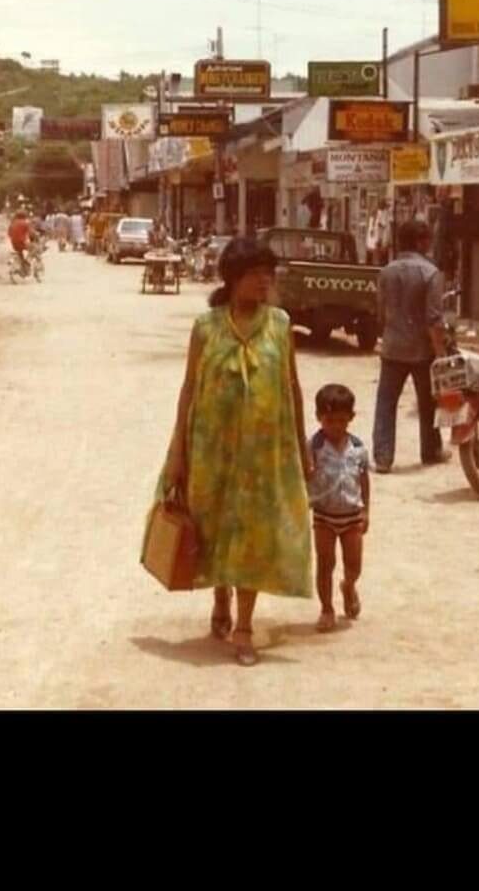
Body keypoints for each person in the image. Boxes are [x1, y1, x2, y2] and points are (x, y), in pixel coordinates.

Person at [157, 236, 313, 666]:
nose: (265, 281)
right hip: (211, 451)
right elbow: (189, 388)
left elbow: (292, 388)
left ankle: (244, 627)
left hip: (264, 458)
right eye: (256, 274)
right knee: (213, 528)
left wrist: (302, 447)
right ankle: (221, 596)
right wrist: (177, 453)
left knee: (253, 536)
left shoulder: (280, 324)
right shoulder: (206, 326)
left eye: (269, 273)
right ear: (233, 278)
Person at [372, 219, 450, 474]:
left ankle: (383, 457)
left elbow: (380, 312)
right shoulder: (430, 273)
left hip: (392, 347)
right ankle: (431, 451)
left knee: (386, 403)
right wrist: (440, 353)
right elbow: (434, 318)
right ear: (420, 242)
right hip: (422, 350)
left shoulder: (386, 271)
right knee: (428, 402)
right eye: (427, 239)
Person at [307, 384, 370, 633]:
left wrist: (366, 511)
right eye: (329, 420)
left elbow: (364, 479)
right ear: (319, 418)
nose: (335, 426)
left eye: (341, 421)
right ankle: (326, 608)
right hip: (323, 515)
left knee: (354, 564)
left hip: (352, 515)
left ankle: (349, 585)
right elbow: (305, 473)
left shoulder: (358, 448)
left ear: (351, 419)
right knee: (325, 563)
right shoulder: (313, 446)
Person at [367, 198, 392, 266]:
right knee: (379, 257)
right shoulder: (381, 213)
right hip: (378, 240)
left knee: (375, 255)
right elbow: (381, 225)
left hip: (376, 239)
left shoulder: (376, 214)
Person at [8, 210, 32, 275]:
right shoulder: (25, 223)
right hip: (21, 243)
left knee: (20, 252)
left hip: (14, 243)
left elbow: (9, 233)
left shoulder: (12, 223)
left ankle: (22, 266)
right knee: (32, 250)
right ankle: (27, 263)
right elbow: (30, 233)